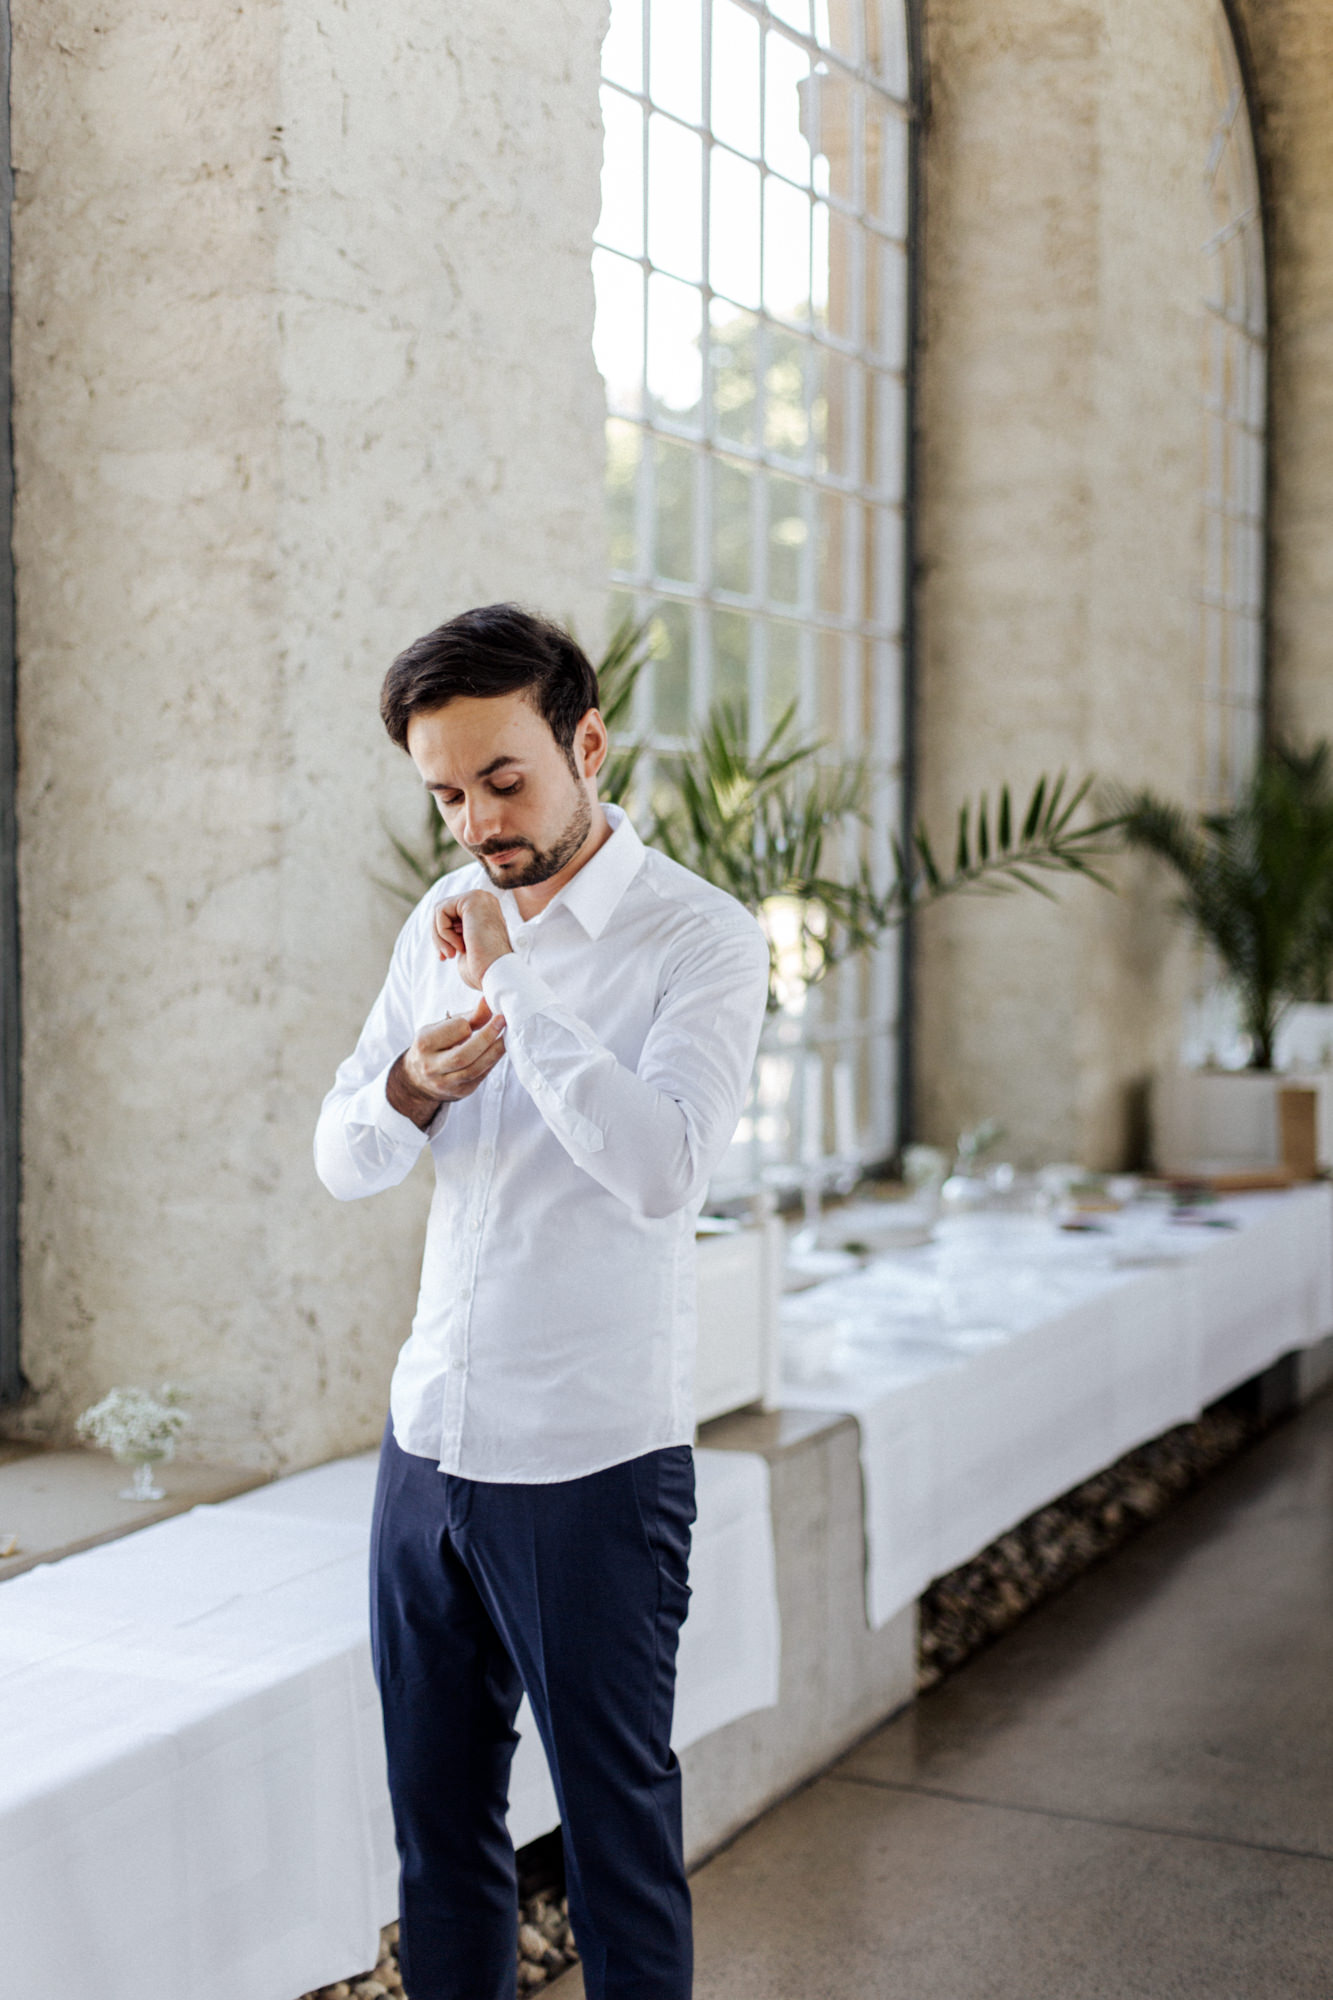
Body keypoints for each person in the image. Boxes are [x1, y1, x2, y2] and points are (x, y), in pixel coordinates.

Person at [314, 603, 772, 2000]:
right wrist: (412, 1087)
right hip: (428, 1441)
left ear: (586, 742)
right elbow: (342, 1153)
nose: (474, 824)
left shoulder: (700, 940)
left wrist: (519, 995)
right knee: (438, 1837)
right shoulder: (433, 921)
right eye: (445, 793)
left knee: (615, 1846)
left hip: (590, 1458)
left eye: (502, 780)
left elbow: (659, 1169)